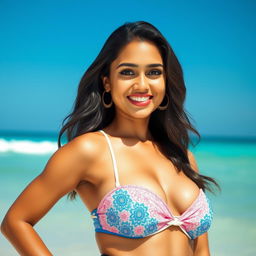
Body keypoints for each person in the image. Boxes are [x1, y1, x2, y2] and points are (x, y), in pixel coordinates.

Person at [1, 21, 219, 256]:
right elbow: (16, 222)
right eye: (128, 72)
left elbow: (202, 250)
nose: (142, 84)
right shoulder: (90, 150)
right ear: (107, 81)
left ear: (166, 81)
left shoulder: (182, 157)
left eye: (154, 72)